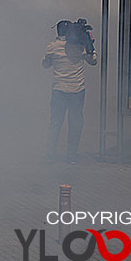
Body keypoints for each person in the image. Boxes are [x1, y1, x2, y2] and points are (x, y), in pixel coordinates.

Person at [43, 20, 96, 164]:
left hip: (59, 90)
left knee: (55, 122)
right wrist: (90, 44)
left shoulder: (52, 47)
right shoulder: (80, 47)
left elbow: (46, 64)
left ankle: (50, 153)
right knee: (75, 123)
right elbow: (93, 61)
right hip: (77, 90)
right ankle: (71, 155)